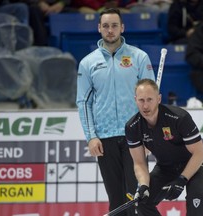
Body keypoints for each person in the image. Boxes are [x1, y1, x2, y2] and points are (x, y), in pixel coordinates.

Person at [76, 8, 155, 216]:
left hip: (135, 137)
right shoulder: (88, 63)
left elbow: (151, 101)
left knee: (137, 199)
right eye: (105, 26)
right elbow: (83, 103)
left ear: (122, 27)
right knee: (116, 202)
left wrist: (149, 135)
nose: (110, 30)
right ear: (99, 28)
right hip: (105, 139)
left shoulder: (139, 57)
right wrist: (91, 136)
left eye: (114, 25)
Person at [125, 79, 203, 216]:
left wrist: (182, 180)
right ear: (135, 100)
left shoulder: (179, 117)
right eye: (141, 100)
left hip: (195, 164)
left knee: (196, 197)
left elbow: (199, 154)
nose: (145, 105)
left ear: (159, 99)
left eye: (149, 99)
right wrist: (144, 185)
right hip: (166, 167)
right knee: (142, 202)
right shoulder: (132, 127)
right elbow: (139, 163)